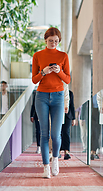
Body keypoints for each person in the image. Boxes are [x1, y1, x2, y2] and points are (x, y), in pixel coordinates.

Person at [32, 27, 71, 179]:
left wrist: (58, 71)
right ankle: (45, 167)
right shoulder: (38, 55)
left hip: (58, 96)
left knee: (56, 134)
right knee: (44, 133)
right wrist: (44, 72)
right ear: (45, 40)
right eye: (50, 41)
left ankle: (55, 160)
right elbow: (34, 79)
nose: (53, 43)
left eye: (56, 41)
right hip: (41, 96)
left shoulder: (63, 56)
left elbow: (67, 79)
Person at [60, 84, 76, 160]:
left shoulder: (70, 93)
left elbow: (72, 106)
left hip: (67, 116)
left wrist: (73, 118)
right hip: (58, 115)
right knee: (58, 132)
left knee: (66, 132)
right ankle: (58, 151)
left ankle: (66, 152)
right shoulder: (57, 92)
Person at [30, 89, 41, 154]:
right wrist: (32, 115)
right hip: (37, 115)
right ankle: (38, 146)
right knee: (38, 131)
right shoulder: (37, 93)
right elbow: (33, 105)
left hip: (46, 115)